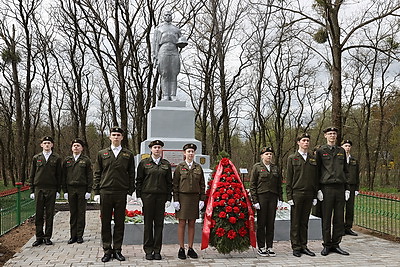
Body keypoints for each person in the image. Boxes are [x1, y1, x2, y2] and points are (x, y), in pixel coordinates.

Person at [93, 127, 135, 262]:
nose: (116, 137)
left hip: (121, 192)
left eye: (118, 135)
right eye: (113, 135)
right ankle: (107, 250)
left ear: (122, 137)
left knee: (119, 222)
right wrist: (97, 191)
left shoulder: (128, 154)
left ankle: (117, 249)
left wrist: (130, 192)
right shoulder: (102, 154)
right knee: (105, 222)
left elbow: (131, 174)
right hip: (105, 192)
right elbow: (97, 173)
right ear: (109, 137)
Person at [136, 140, 173, 260]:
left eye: (159, 147)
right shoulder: (144, 163)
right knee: (148, 225)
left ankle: (157, 250)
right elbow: (139, 180)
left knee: (159, 225)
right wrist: (138, 196)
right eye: (154, 147)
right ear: (151, 149)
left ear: (161, 149)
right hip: (147, 197)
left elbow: (169, 183)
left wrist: (168, 198)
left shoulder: (166, 164)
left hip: (161, 197)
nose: (157, 149)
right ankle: (148, 250)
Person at [316, 127, 350, 256]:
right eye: (329, 134)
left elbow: (346, 171)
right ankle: (327, 244)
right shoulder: (320, 151)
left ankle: (336, 244)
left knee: (339, 218)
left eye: (334, 134)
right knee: (326, 217)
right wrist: (318, 189)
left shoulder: (341, 151)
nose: (332, 136)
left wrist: (347, 188)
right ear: (325, 136)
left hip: (340, 188)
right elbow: (317, 171)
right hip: (327, 188)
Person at [286, 133, 318, 257]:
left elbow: (315, 178)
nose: (306, 143)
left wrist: (315, 195)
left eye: (308, 141)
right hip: (297, 193)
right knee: (295, 222)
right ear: (298, 142)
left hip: (309, 193)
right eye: (303, 140)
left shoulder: (312, 158)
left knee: (304, 222)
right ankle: (296, 246)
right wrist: (289, 197)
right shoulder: (292, 158)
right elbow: (289, 179)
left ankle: (304, 245)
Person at [173, 143, 205, 259]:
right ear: (184, 153)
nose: (190, 153)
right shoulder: (180, 167)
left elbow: (202, 185)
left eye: (192, 151)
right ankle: (181, 248)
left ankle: (190, 248)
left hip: (194, 198)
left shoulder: (198, 167)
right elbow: (175, 184)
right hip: (182, 197)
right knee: (182, 223)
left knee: (192, 223)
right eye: (188, 151)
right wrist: (176, 200)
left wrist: (202, 199)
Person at [250, 147, 283, 257]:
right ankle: (261, 247)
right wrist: (255, 200)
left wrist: (280, 199)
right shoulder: (257, 167)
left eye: (270, 154)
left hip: (272, 197)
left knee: (270, 223)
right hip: (262, 197)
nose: (269, 156)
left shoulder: (275, 168)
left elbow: (279, 185)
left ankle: (269, 246)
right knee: (261, 223)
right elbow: (253, 185)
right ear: (262, 156)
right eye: (267, 154)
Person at [29, 136, 62, 246]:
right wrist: (32, 190)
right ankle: (39, 237)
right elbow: (32, 175)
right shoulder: (36, 157)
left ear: (52, 145)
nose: (47, 145)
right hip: (39, 188)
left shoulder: (56, 158)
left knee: (49, 214)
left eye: (49, 143)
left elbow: (59, 175)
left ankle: (47, 237)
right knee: (38, 214)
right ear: (41, 145)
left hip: (51, 189)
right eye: (45, 143)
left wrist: (58, 190)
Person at [62, 138, 93, 244]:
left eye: (78, 145)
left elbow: (90, 176)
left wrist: (89, 190)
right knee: (73, 213)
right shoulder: (67, 160)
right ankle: (72, 235)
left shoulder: (86, 160)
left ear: (82, 148)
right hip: (70, 189)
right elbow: (63, 176)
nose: (76, 147)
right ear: (71, 148)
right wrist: (65, 191)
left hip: (82, 189)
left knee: (81, 213)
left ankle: (80, 235)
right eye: (74, 145)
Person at [152, 10, 187, 100]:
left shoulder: (176, 29)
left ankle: (173, 95)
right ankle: (166, 95)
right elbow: (155, 43)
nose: (168, 16)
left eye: (170, 15)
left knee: (173, 73)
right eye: (166, 15)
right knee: (164, 73)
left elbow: (181, 40)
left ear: (172, 16)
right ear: (163, 17)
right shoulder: (159, 29)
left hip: (174, 50)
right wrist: (155, 56)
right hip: (163, 50)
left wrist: (182, 43)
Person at [341, 139, 360, 236]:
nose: (347, 148)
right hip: (342, 186)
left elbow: (356, 175)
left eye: (349, 146)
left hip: (351, 186)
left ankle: (348, 227)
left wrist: (357, 188)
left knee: (350, 208)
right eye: (345, 146)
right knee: (340, 208)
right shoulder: (339, 159)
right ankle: (339, 227)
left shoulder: (354, 160)